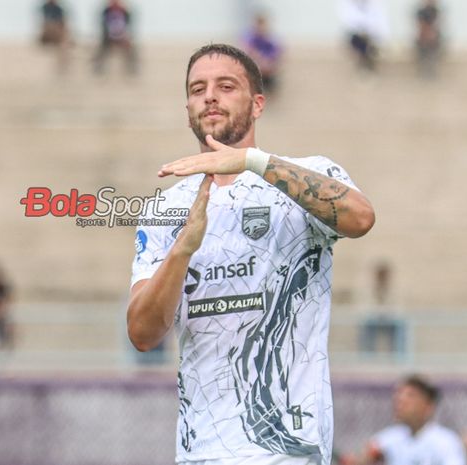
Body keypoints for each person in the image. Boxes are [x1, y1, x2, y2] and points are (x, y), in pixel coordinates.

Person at [127, 44, 375, 464]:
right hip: (201, 452)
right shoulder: (166, 207)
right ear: (187, 105)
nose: (209, 96)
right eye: (197, 88)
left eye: (226, 86)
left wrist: (252, 162)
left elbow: (361, 218)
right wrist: (182, 251)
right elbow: (143, 333)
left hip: (288, 450)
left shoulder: (302, 175)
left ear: (257, 104)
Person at [338, 375, 467, 465]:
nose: (400, 400)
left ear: (428, 406)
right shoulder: (391, 437)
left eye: (410, 396)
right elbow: (364, 456)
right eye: (398, 395)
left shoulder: (446, 442)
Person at [359, 261, 406, 360]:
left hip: (390, 319)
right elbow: (366, 307)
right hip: (374, 319)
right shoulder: (369, 289)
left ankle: (398, 356)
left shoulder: (394, 290)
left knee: (400, 326)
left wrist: (387, 314)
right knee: (368, 325)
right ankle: (368, 356)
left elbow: (397, 308)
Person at [339, 0, 389, 72]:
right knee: (358, 40)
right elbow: (348, 22)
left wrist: (370, 33)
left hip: (373, 36)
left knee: (373, 46)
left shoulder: (376, 3)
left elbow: (381, 24)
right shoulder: (347, 3)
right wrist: (362, 30)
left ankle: (369, 60)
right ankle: (364, 61)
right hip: (357, 36)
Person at [93, 0, 137, 75]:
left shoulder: (125, 13)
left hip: (122, 37)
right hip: (108, 37)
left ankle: (132, 70)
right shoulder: (106, 12)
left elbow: (129, 27)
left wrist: (124, 36)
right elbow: (103, 27)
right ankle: (98, 70)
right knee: (101, 50)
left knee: (131, 49)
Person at [242, 14, 283, 93]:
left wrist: (269, 64)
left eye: (263, 25)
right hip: (256, 69)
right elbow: (248, 51)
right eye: (259, 25)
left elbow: (277, 53)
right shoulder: (249, 38)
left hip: (269, 70)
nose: (261, 28)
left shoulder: (271, 40)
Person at [38, 0, 71, 73]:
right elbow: (45, 22)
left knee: (64, 47)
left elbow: (62, 23)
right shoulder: (46, 8)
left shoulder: (58, 9)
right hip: (50, 32)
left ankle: (63, 65)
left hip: (57, 33)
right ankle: (62, 65)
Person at [415, 0, 442, 79]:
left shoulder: (436, 11)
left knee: (432, 51)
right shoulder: (421, 11)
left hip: (433, 38)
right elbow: (421, 25)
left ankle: (430, 71)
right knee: (424, 51)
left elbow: (437, 24)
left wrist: (432, 34)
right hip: (423, 37)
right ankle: (425, 72)